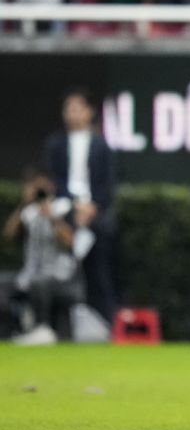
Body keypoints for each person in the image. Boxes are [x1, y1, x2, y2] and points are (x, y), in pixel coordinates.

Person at [44, 87, 116, 323]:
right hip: (64, 209)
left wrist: (91, 207)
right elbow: (53, 179)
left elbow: (108, 183)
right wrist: (74, 205)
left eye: (78, 108)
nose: (73, 114)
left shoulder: (101, 146)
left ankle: (105, 320)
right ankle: (55, 321)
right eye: (69, 109)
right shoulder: (55, 144)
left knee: (101, 259)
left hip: (94, 213)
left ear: (89, 112)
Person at [3, 167, 84, 345]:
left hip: (60, 275)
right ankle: (9, 334)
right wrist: (24, 203)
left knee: (40, 283)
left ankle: (43, 329)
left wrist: (51, 216)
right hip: (30, 273)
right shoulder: (27, 212)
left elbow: (71, 242)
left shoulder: (63, 207)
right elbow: (9, 235)